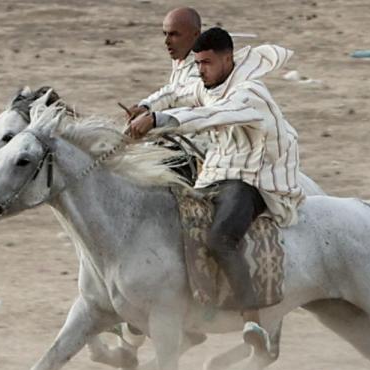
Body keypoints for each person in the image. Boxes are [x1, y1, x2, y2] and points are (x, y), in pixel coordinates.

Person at [128, 27, 304, 314]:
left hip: (254, 178)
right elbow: (176, 91)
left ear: (227, 59)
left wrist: (158, 119)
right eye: (196, 63)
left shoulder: (249, 92)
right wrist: (146, 106)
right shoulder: (205, 84)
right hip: (215, 173)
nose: (200, 71)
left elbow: (210, 115)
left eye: (206, 63)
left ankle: (251, 316)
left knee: (220, 239)